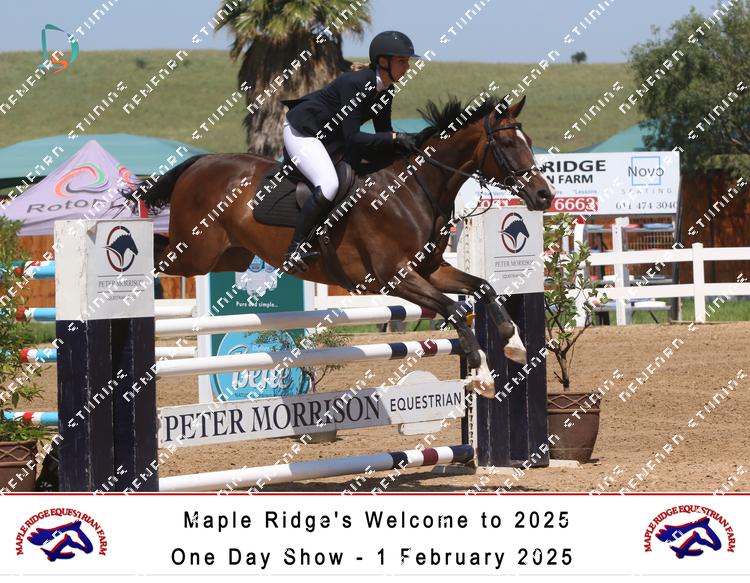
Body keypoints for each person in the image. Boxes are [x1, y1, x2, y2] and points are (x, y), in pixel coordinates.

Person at [281, 31, 422, 273]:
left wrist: (407, 146)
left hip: (331, 139)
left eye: (407, 61)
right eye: (402, 61)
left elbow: (383, 132)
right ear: (383, 62)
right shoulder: (357, 83)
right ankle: (295, 248)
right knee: (329, 184)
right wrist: (395, 138)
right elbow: (353, 138)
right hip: (304, 133)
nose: (407, 67)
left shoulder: (386, 90)